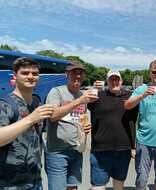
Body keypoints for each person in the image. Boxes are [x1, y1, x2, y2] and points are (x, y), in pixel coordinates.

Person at [0, 57, 54, 189]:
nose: (31, 76)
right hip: (10, 183)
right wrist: (31, 119)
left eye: (35, 74)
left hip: (35, 180)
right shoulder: (5, 103)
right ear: (15, 77)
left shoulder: (36, 102)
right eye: (25, 73)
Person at [44, 61, 98, 190]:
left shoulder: (82, 95)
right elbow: (53, 116)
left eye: (80, 73)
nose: (78, 76)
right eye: (74, 73)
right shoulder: (57, 92)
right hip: (57, 151)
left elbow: (81, 118)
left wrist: (85, 126)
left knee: (73, 187)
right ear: (66, 74)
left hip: (76, 150)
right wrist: (79, 101)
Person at [124, 59, 156, 190]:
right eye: (154, 72)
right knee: (141, 178)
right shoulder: (141, 89)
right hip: (144, 141)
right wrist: (143, 95)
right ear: (150, 73)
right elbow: (127, 105)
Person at [88, 70, 138, 190]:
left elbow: (149, 98)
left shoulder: (131, 96)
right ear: (107, 82)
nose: (114, 82)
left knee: (119, 185)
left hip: (123, 150)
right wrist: (94, 88)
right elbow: (84, 101)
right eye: (111, 79)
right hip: (100, 151)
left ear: (121, 81)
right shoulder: (98, 96)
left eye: (117, 79)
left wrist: (133, 147)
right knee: (97, 187)